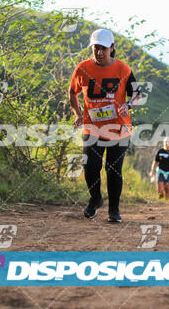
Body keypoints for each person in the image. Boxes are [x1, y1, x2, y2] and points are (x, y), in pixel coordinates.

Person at [69, 28, 139, 222]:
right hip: (92, 127)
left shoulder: (123, 69)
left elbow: (137, 94)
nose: (99, 52)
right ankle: (96, 199)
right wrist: (77, 113)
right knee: (90, 166)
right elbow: (72, 93)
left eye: (103, 48)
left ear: (112, 48)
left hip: (119, 128)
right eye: (95, 48)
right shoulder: (82, 68)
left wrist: (129, 104)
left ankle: (114, 210)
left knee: (113, 169)